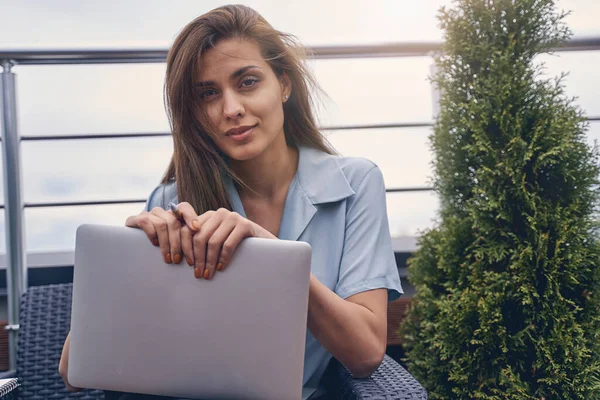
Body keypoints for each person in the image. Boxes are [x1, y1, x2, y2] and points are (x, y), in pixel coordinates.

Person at [59, 4, 403, 399]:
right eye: (208, 93)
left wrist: (271, 257)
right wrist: (128, 268)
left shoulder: (355, 184)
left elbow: (364, 352)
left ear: (284, 85)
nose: (231, 109)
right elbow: (72, 374)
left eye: (248, 82)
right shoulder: (172, 200)